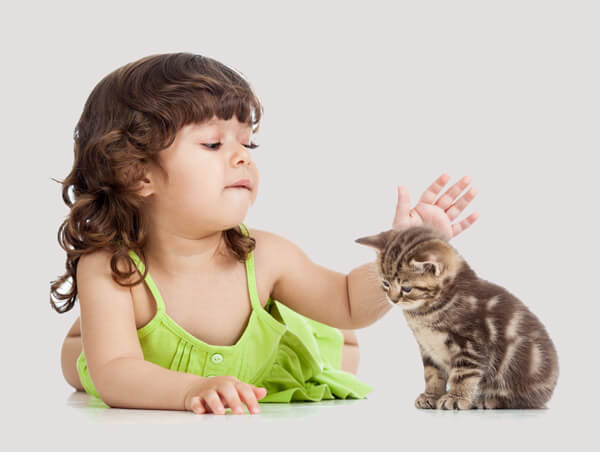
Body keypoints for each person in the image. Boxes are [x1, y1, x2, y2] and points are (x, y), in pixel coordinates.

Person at [51, 52, 479, 415]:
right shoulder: (112, 268)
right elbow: (114, 373)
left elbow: (349, 304)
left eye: (247, 145)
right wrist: (186, 391)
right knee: (85, 365)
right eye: (214, 145)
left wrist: (404, 249)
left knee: (340, 348)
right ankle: (84, 337)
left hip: (262, 362)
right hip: (141, 358)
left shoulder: (265, 256)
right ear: (136, 172)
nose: (242, 158)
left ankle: (300, 323)